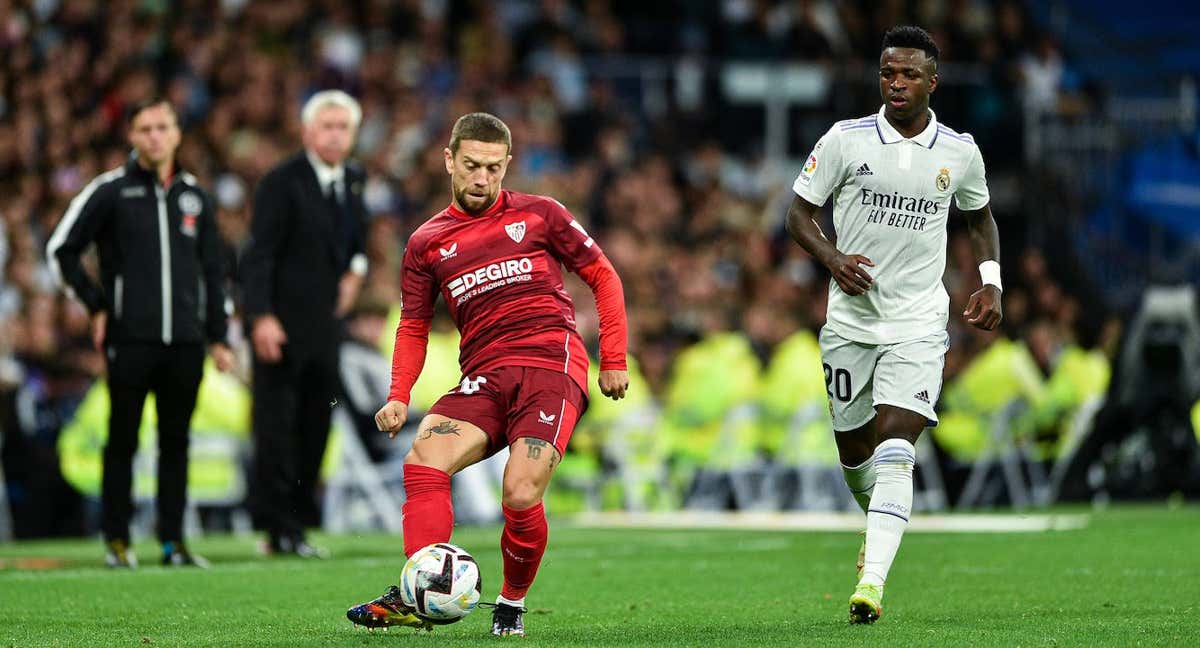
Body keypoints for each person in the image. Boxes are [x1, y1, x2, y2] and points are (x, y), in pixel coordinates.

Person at [345, 112, 629, 637]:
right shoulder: (427, 242)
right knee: (424, 456)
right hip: (484, 375)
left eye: (494, 168)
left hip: (551, 364)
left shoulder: (542, 214)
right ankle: (419, 588)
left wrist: (612, 357)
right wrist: (398, 395)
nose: (482, 179)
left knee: (520, 492)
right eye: (472, 166)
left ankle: (511, 604)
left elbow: (602, 276)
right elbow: (412, 326)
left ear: (507, 165)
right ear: (448, 160)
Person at [785, 26, 1003, 624]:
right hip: (850, 323)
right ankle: (875, 532)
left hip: (919, 323)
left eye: (908, 74)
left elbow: (980, 218)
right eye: (887, 73)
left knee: (896, 450)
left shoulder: (959, 151)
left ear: (933, 80)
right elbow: (798, 214)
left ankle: (872, 583)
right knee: (855, 452)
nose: (896, 84)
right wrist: (832, 259)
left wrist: (991, 280)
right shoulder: (845, 141)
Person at [46, 98, 235, 567]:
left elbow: (214, 272)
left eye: (162, 127)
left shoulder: (195, 196)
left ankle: (172, 543)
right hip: (129, 340)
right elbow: (61, 250)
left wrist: (218, 336)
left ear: (177, 134)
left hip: (187, 344)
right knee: (122, 440)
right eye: (145, 128)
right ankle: (117, 540)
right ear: (131, 136)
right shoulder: (110, 191)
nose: (154, 136)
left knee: (176, 442)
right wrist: (95, 307)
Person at [240, 90, 368, 557]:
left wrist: (356, 271)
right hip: (281, 323)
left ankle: (298, 521)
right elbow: (258, 253)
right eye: (327, 126)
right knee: (277, 428)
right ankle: (277, 527)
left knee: (316, 425)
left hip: (325, 327)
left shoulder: (352, 178)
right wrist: (261, 317)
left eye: (343, 127)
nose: (335, 135)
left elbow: (358, 236)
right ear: (307, 131)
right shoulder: (282, 181)